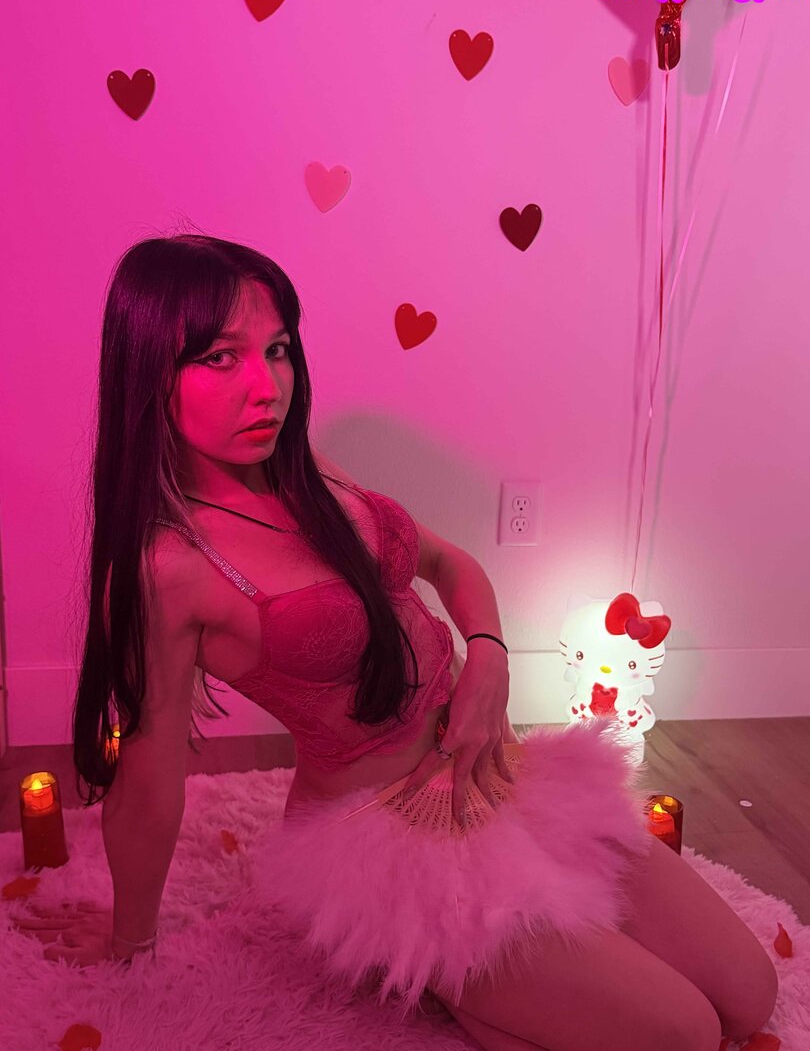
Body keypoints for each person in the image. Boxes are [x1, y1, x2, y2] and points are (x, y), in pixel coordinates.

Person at [11, 235, 778, 1051]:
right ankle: (448, 982)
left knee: (750, 995)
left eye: (278, 349)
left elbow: (451, 566)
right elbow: (151, 768)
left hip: (496, 775)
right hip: (392, 846)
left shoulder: (307, 471)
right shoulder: (168, 568)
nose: (267, 386)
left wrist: (490, 656)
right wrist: (129, 940)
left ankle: (521, 984)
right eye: (220, 357)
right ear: (149, 374)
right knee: (686, 1033)